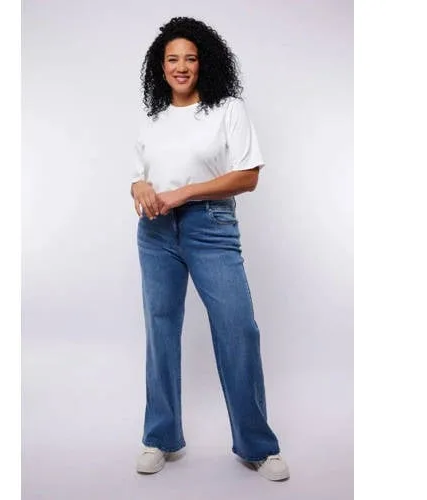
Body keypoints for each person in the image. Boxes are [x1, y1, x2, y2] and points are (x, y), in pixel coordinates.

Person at [130, 16, 290, 482]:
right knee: (161, 331)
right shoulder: (153, 118)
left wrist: (184, 192)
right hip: (155, 232)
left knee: (238, 329)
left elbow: (248, 176)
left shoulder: (227, 110)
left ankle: (257, 445)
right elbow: (140, 176)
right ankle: (160, 437)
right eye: (172, 59)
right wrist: (140, 187)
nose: (181, 67)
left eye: (190, 58)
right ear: (160, 66)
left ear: (204, 63)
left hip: (211, 226)